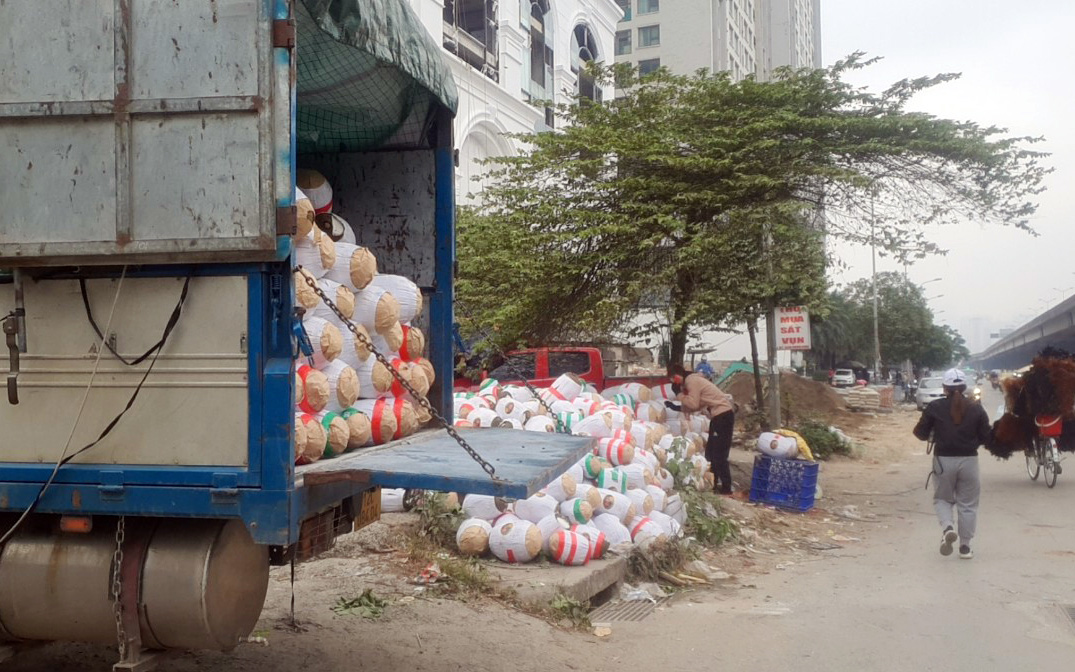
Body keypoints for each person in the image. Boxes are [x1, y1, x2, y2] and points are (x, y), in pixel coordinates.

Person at [912, 368, 991, 560]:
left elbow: (920, 433)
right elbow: (987, 437)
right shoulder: (976, 407)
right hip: (970, 460)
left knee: (942, 499)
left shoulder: (934, 407)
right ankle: (965, 547)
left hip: (943, 460)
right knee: (968, 505)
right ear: (964, 387)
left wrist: (935, 433)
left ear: (944, 387)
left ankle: (948, 527)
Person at [665, 363, 736, 494]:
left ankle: (726, 488)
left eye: (674, 380)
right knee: (711, 451)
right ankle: (714, 484)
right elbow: (696, 406)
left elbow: (693, 403)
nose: (676, 384)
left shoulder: (692, 381)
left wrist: (679, 395)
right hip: (718, 417)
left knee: (719, 453)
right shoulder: (693, 381)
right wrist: (677, 408)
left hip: (723, 416)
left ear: (678, 376)